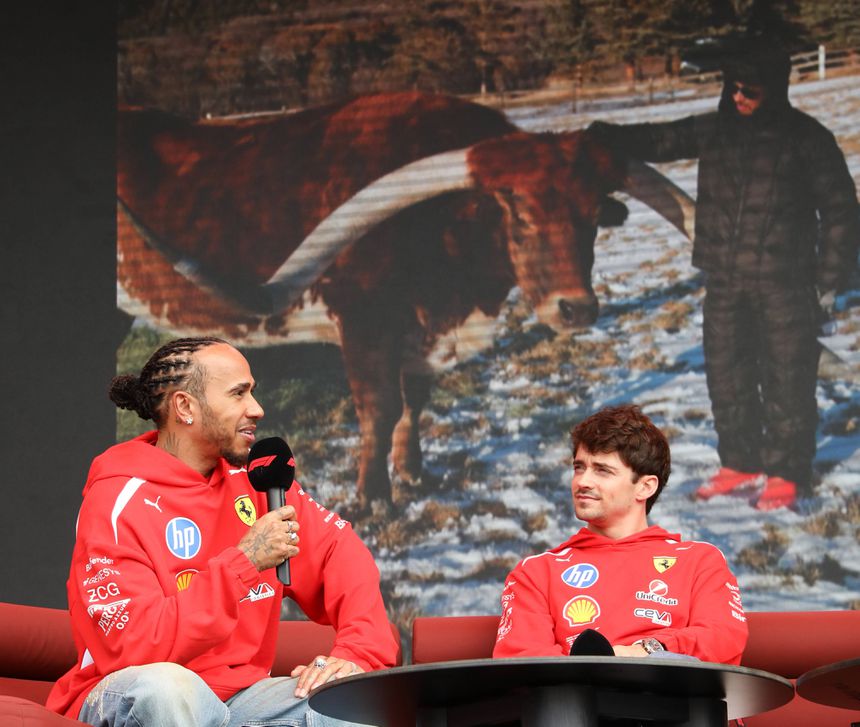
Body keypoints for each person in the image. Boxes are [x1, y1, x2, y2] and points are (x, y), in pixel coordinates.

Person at [46, 336, 398, 726]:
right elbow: (133, 649)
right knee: (169, 689)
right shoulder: (116, 497)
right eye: (238, 394)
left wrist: (358, 654)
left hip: (240, 697)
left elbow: (339, 554)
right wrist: (243, 563)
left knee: (351, 707)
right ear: (185, 407)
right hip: (129, 689)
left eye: (254, 393)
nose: (257, 409)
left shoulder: (261, 482)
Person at [590, 35, 859, 510]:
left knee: (787, 378)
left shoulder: (807, 138)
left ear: (773, 88)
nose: (738, 97)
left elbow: (841, 211)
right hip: (724, 279)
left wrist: (831, 280)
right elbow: (658, 139)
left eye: (749, 90)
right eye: (733, 88)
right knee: (727, 376)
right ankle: (739, 462)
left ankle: (787, 472)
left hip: (787, 282)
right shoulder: (713, 129)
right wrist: (603, 133)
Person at [493, 404, 748, 663]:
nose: (582, 481)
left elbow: (722, 637)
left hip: (671, 697)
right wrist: (600, 667)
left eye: (602, 470)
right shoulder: (536, 572)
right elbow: (522, 662)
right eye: (579, 467)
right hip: (576, 699)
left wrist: (647, 650)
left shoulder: (699, 561)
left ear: (645, 487)